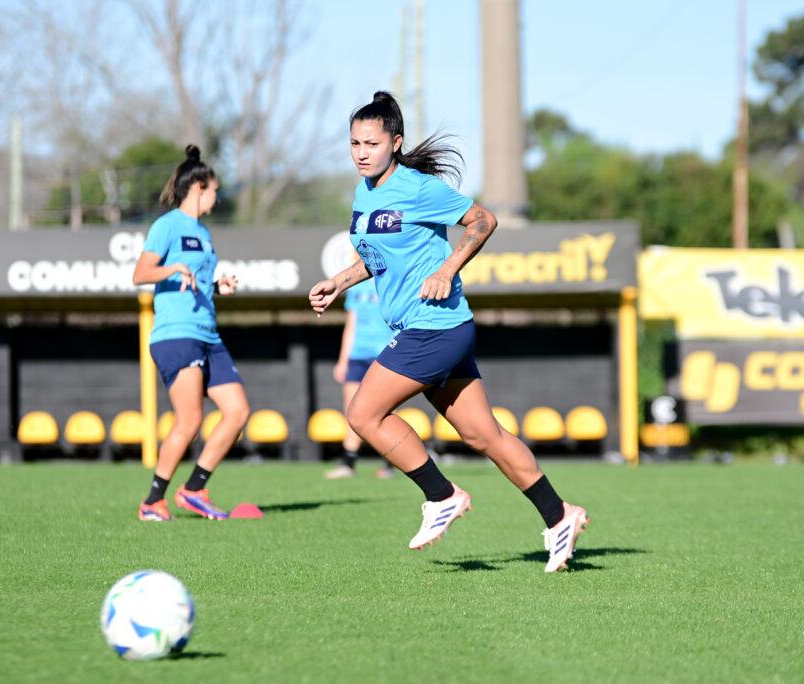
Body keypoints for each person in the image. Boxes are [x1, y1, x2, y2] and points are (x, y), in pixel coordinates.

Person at [308, 92, 588, 572]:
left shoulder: (418, 188)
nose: (360, 152)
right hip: (437, 328)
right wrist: (338, 281)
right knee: (485, 436)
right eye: (354, 143)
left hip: (433, 326)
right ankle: (560, 515)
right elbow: (377, 258)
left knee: (363, 415)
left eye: (371, 143)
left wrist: (448, 267)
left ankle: (441, 496)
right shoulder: (364, 193)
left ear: (395, 143)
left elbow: (484, 219)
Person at [132, 145, 250, 522]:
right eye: (214, 189)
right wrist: (172, 269)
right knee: (190, 420)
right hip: (176, 334)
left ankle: (194, 489)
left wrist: (217, 284)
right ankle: (153, 501)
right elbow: (140, 274)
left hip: (208, 333)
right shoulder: (167, 226)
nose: (217, 197)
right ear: (199, 187)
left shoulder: (203, 232)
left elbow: (195, 280)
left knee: (237, 411)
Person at [325, 277, 396, 479]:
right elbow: (351, 325)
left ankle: (391, 464)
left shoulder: (389, 280)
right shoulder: (356, 287)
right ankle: (348, 463)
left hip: (385, 353)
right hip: (357, 355)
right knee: (352, 410)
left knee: (387, 410)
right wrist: (343, 360)